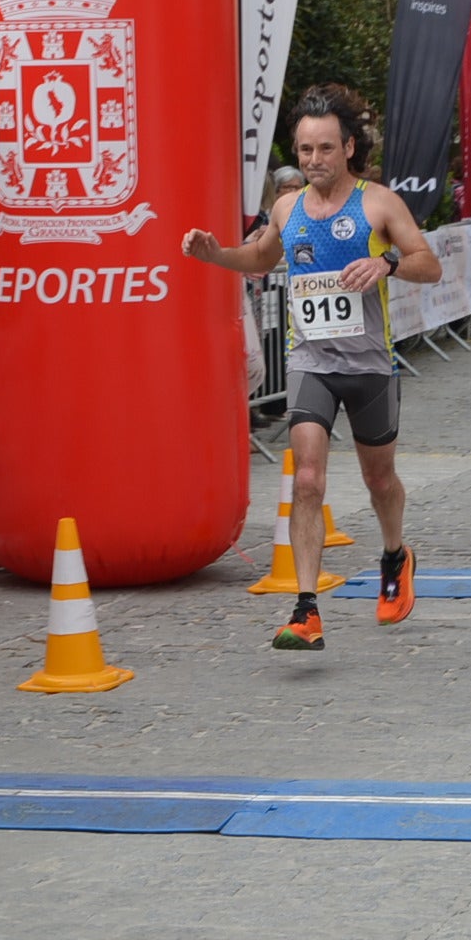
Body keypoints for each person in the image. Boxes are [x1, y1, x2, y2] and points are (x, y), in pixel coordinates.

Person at [181, 84, 442, 651]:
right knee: (307, 479)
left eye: (325, 149)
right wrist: (215, 255)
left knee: (379, 479)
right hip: (311, 362)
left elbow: (430, 264)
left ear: (348, 148)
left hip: (370, 364)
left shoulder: (378, 203)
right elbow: (260, 257)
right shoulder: (287, 207)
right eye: (304, 150)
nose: (313, 161)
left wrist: (386, 263)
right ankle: (305, 609)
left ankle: (396, 555)